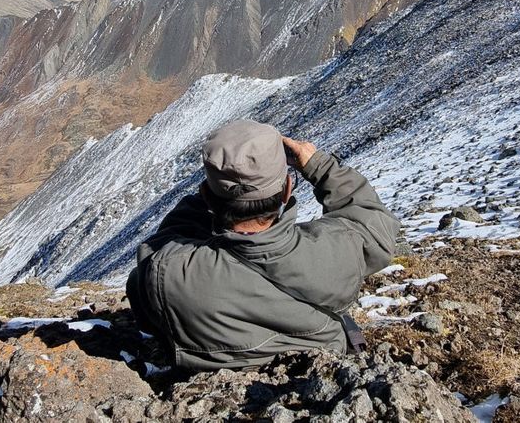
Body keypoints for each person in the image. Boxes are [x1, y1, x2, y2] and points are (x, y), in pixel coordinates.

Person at [126, 119, 400, 370]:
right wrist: (317, 165)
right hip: (326, 375)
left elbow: (162, 245)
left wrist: (220, 187)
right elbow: (374, 221)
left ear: (207, 197)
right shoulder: (336, 251)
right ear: (287, 190)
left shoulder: (170, 273)